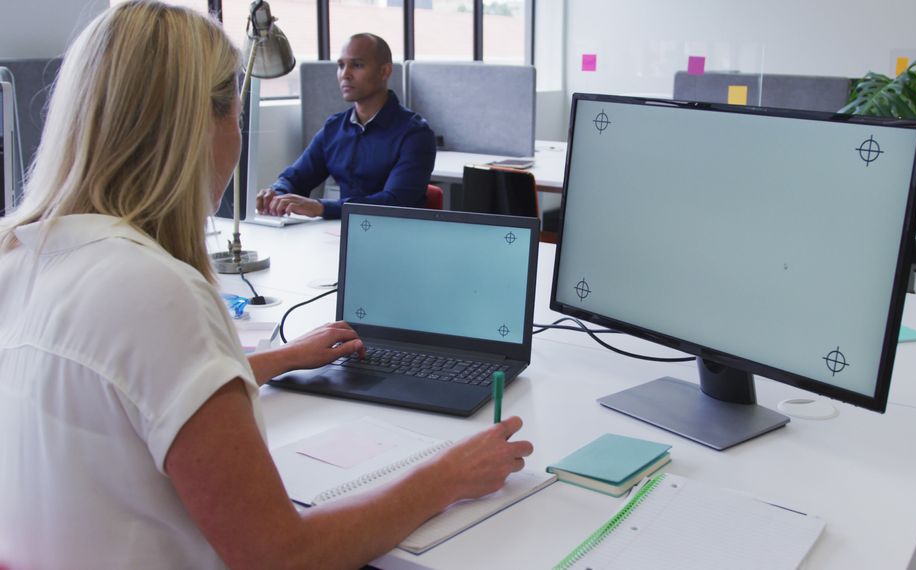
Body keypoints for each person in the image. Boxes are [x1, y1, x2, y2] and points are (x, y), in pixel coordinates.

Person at [0, 3, 532, 568]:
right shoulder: (155, 293)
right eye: (235, 113)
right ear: (200, 125)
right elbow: (280, 555)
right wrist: (444, 478)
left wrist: (280, 359)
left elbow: (135, 388)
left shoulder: (17, 255)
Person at [256, 33, 437, 220]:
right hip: (340, 234)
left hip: (395, 235)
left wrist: (321, 207)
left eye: (357, 65)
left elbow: (395, 202)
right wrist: (277, 192)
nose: (345, 74)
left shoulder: (415, 134)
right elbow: (296, 177)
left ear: (384, 71)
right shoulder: (334, 128)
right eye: (341, 65)